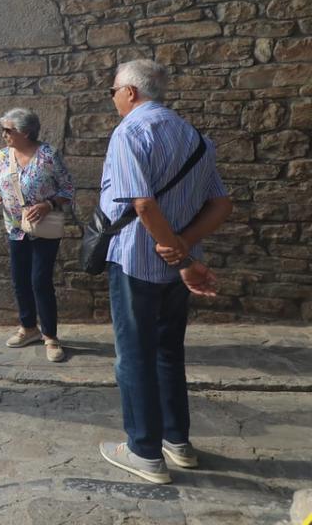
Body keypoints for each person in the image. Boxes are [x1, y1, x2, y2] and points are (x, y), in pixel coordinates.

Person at [98, 59, 231, 485]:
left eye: (115, 90)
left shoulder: (131, 132)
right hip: (178, 269)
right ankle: (178, 442)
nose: (114, 98)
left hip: (136, 260)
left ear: (131, 92)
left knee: (133, 356)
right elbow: (221, 204)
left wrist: (177, 253)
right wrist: (186, 249)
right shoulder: (196, 138)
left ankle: (144, 452)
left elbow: (142, 205)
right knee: (168, 352)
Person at [0, 108, 75, 362]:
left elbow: (68, 188)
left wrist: (48, 205)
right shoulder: (3, 155)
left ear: (26, 132)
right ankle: (28, 328)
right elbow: (2, 184)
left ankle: (51, 337)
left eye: (8, 130)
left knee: (40, 281)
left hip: (43, 228)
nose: (4, 134)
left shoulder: (48, 155)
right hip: (15, 227)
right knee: (19, 281)